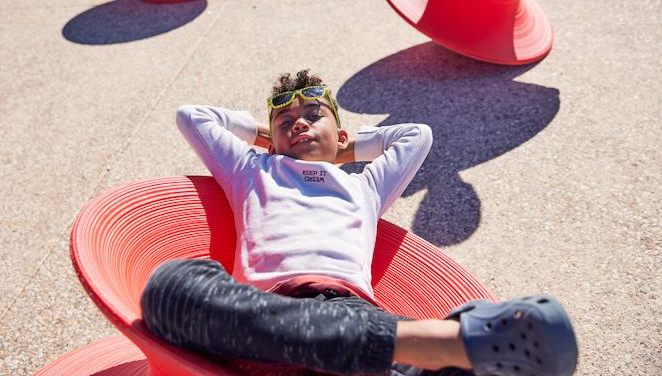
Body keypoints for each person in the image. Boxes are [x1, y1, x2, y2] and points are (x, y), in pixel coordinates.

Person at [141, 70, 578, 376]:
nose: (300, 124)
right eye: (286, 122)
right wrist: (265, 137)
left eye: (314, 115)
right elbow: (192, 116)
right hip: (260, 324)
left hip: (348, 312)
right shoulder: (253, 169)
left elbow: (416, 136)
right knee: (170, 288)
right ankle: (441, 344)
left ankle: (439, 349)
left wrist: (340, 152)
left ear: (343, 134)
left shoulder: (365, 186)